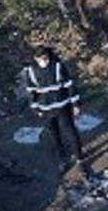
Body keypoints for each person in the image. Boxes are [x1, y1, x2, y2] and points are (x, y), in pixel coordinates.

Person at [27, 42, 87, 175]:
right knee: (54, 135)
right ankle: (62, 158)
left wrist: (76, 104)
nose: (43, 61)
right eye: (40, 59)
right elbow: (32, 92)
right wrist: (36, 109)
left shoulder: (58, 66)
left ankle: (80, 160)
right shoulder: (31, 71)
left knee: (70, 132)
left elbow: (69, 85)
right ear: (35, 59)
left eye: (45, 58)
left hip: (62, 106)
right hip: (46, 110)